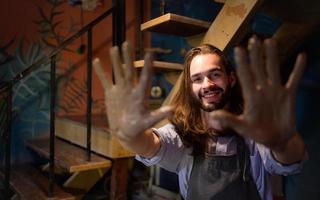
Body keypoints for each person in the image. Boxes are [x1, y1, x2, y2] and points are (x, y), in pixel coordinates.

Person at [93, 36, 307, 200]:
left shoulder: (256, 129)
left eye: (215, 74)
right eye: (197, 79)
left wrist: (284, 142)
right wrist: (131, 138)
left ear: (231, 79)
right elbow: (151, 145)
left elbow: (290, 161)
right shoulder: (181, 134)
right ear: (190, 87)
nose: (207, 85)